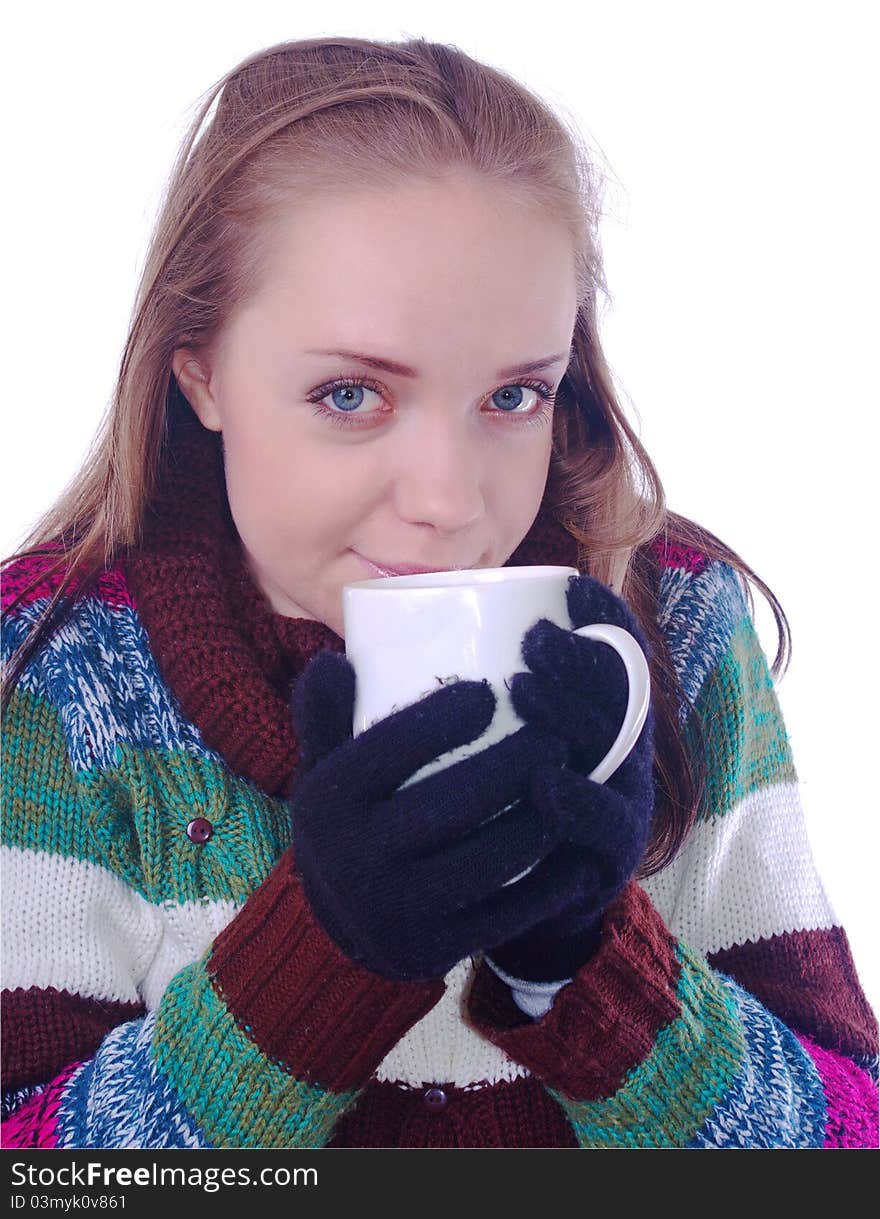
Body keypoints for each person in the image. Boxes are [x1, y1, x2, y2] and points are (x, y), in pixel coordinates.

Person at [1, 35, 876, 1151]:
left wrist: (591, 968)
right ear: (203, 371)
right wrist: (318, 958)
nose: (448, 501)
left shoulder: (673, 627)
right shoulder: (57, 669)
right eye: (352, 392)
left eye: (513, 395)